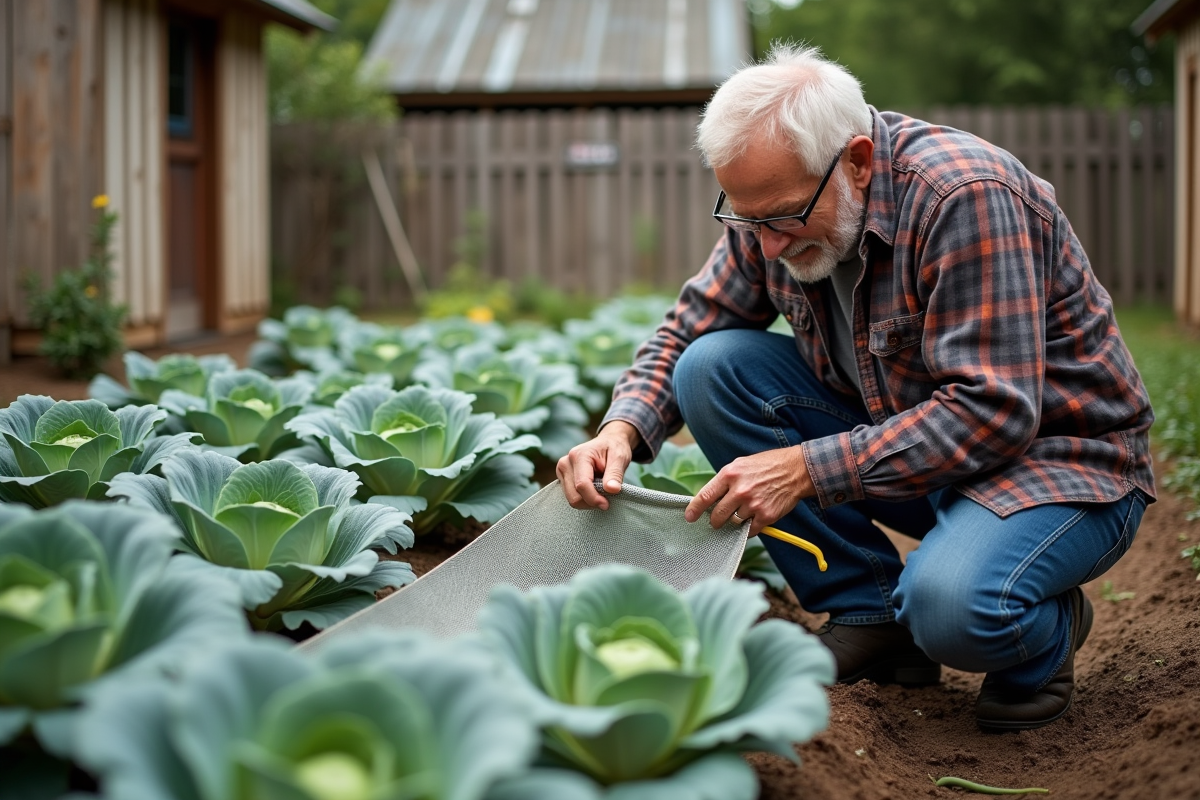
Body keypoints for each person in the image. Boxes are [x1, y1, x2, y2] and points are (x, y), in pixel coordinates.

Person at [556, 43, 1155, 732]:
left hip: (1058, 471)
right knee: (709, 367)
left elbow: (993, 413)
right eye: (747, 220)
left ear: (859, 160)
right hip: (918, 456)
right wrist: (620, 429)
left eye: (780, 217)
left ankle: (1038, 632)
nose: (766, 245)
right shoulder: (773, 208)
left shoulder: (964, 199)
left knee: (951, 609)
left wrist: (808, 467)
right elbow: (691, 328)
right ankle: (869, 609)